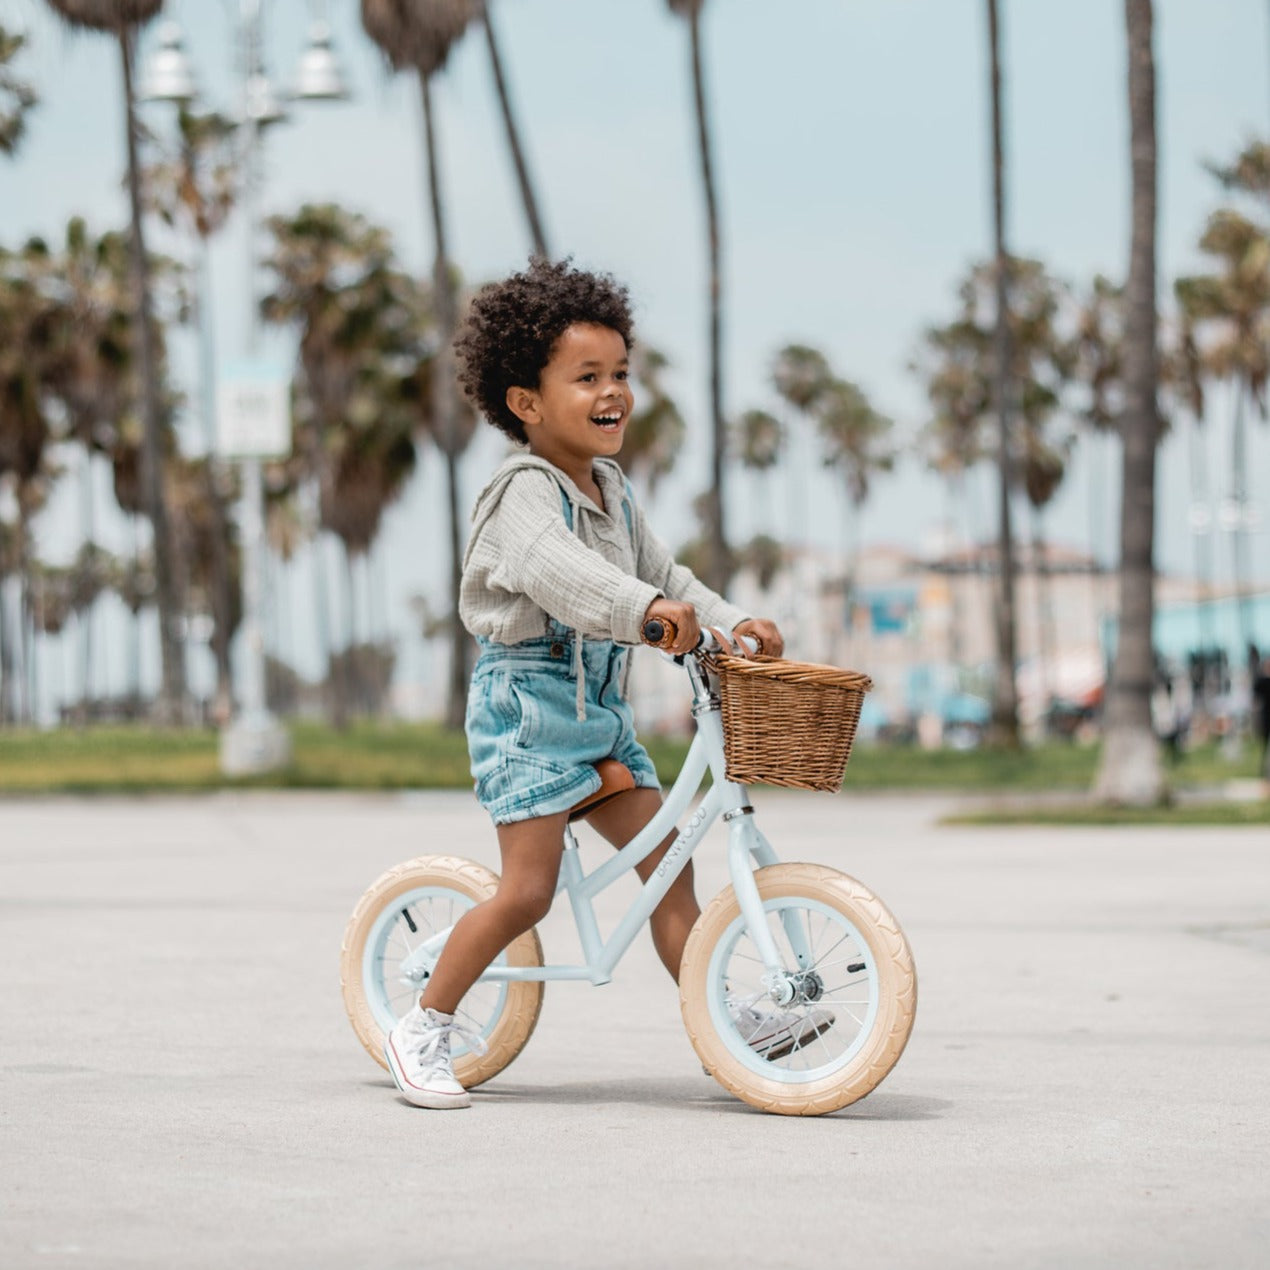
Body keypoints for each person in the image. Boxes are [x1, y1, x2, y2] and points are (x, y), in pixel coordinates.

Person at [384, 259, 812, 1109]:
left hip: (600, 712)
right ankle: (423, 1026)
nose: (613, 391)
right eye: (587, 377)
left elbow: (667, 574)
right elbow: (562, 576)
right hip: (528, 712)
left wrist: (733, 622)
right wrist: (646, 610)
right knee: (527, 891)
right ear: (526, 403)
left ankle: (721, 1019)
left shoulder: (611, 488)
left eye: (620, 373)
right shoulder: (520, 495)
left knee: (669, 865)